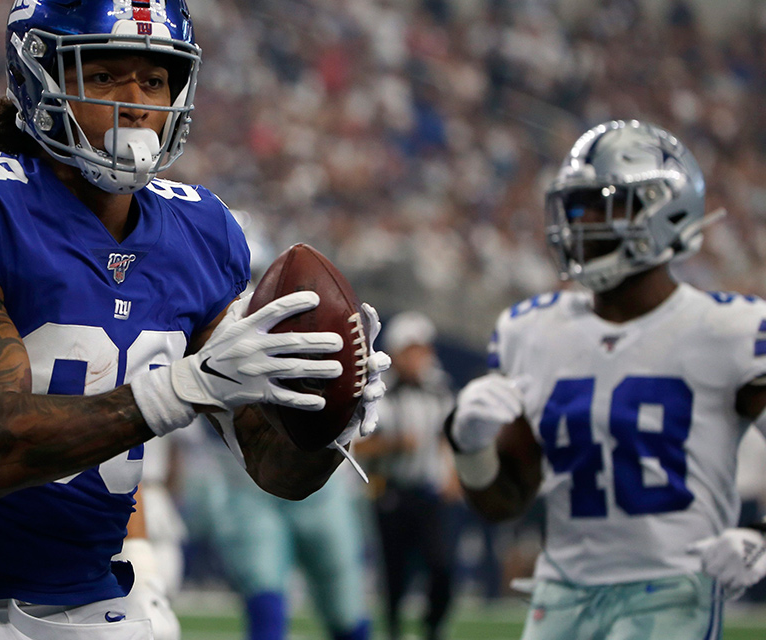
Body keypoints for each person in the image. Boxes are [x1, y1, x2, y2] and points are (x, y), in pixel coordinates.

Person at [0, 0, 390, 640]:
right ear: (37, 79)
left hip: (85, 593)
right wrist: (184, 387)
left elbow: (274, 468)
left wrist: (324, 415)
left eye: (153, 82)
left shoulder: (201, 231)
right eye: (101, 74)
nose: (131, 104)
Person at [446, 120, 766, 639]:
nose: (582, 222)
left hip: (672, 587)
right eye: (576, 206)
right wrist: (470, 446)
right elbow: (503, 502)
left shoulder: (728, 330)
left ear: (664, 209)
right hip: (561, 591)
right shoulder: (530, 330)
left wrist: (762, 535)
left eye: (603, 204)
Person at [207, 212, 373, 640]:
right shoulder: (203, 320)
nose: (251, 291)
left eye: (259, 276)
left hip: (321, 490)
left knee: (345, 612)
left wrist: (345, 397)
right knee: (266, 605)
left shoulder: (300, 315)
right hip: (245, 486)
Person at [355, 311, 455, 640]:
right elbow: (360, 447)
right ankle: (395, 630)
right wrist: (396, 444)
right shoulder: (380, 390)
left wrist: (452, 475)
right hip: (391, 493)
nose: (421, 357)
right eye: (413, 349)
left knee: (441, 568)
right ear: (397, 352)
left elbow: (448, 436)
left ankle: (432, 627)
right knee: (394, 574)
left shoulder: (439, 390)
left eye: (424, 349)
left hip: (428, 494)